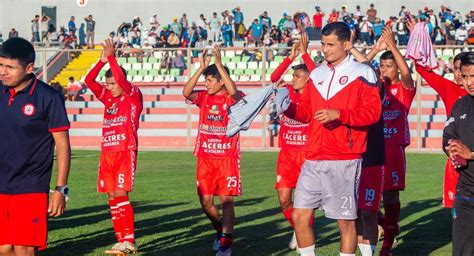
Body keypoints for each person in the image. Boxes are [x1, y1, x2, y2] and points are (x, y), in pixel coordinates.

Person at [286, 22, 381, 256]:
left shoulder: (363, 73)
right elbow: (306, 113)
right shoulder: (317, 73)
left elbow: (373, 113)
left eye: (330, 45)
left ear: (347, 45)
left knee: (345, 223)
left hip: (344, 158)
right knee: (299, 215)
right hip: (313, 156)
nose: (325, 50)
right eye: (323, 44)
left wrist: (340, 115)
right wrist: (286, 108)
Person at [0, 37, 71, 255]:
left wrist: (61, 190)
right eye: (1, 65)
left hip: (30, 185)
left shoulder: (48, 98)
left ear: (29, 68)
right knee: (4, 248)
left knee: (23, 249)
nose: (3, 72)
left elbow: (63, 145)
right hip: (1, 183)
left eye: (10, 67)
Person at [182, 45, 244, 256]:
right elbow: (186, 92)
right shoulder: (204, 98)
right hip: (205, 157)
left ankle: (225, 245)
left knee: (226, 201)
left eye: (209, 80)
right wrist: (201, 69)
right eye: (205, 81)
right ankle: (223, 232)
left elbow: (235, 92)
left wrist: (218, 64)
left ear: (220, 81)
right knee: (206, 201)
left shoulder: (232, 99)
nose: (206, 85)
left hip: (227, 157)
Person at [84, 39, 143, 254]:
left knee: (121, 194)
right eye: (107, 84)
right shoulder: (108, 97)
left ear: (122, 82)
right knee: (111, 196)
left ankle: (129, 239)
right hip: (107, 152)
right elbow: (89, 80)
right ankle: (120, 239)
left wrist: (111, 56)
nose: (108, 87)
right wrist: (101, 62)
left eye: (112, 84)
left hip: (124, 150)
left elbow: (119, 77)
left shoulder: (132, 95)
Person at [366, 27, 416, 256]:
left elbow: (407, 74)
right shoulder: (376, 88)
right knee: (365, 198)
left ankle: (386, 247)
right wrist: (375, 49)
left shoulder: (403, 90)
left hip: (394, 150)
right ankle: (388, 224)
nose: (384, 70)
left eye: (388, 66)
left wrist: (393, 45)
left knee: (390, 196)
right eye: (382, 66)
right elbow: (359, 70)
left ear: (395, 66)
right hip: (372, 148)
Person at [269, 34, 316, 250]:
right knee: (284, 199)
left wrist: (305, 55)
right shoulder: (287, 92)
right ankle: (299, 230)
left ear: (307, 78)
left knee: (307, 203)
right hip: (287, 155)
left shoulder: (315, 95)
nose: (293, 78)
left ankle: (304, 234)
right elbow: (274, 76)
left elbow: (317, 74)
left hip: (308, 155)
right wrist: (292, 56)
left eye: (298, 75)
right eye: (293, 75)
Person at [443, 52, 474, 256]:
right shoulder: (460, 105)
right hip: (466, 194)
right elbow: (448, 135)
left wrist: (471, 154)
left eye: (473, 76)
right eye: (465, 77)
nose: (469, 82)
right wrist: (451, 149)